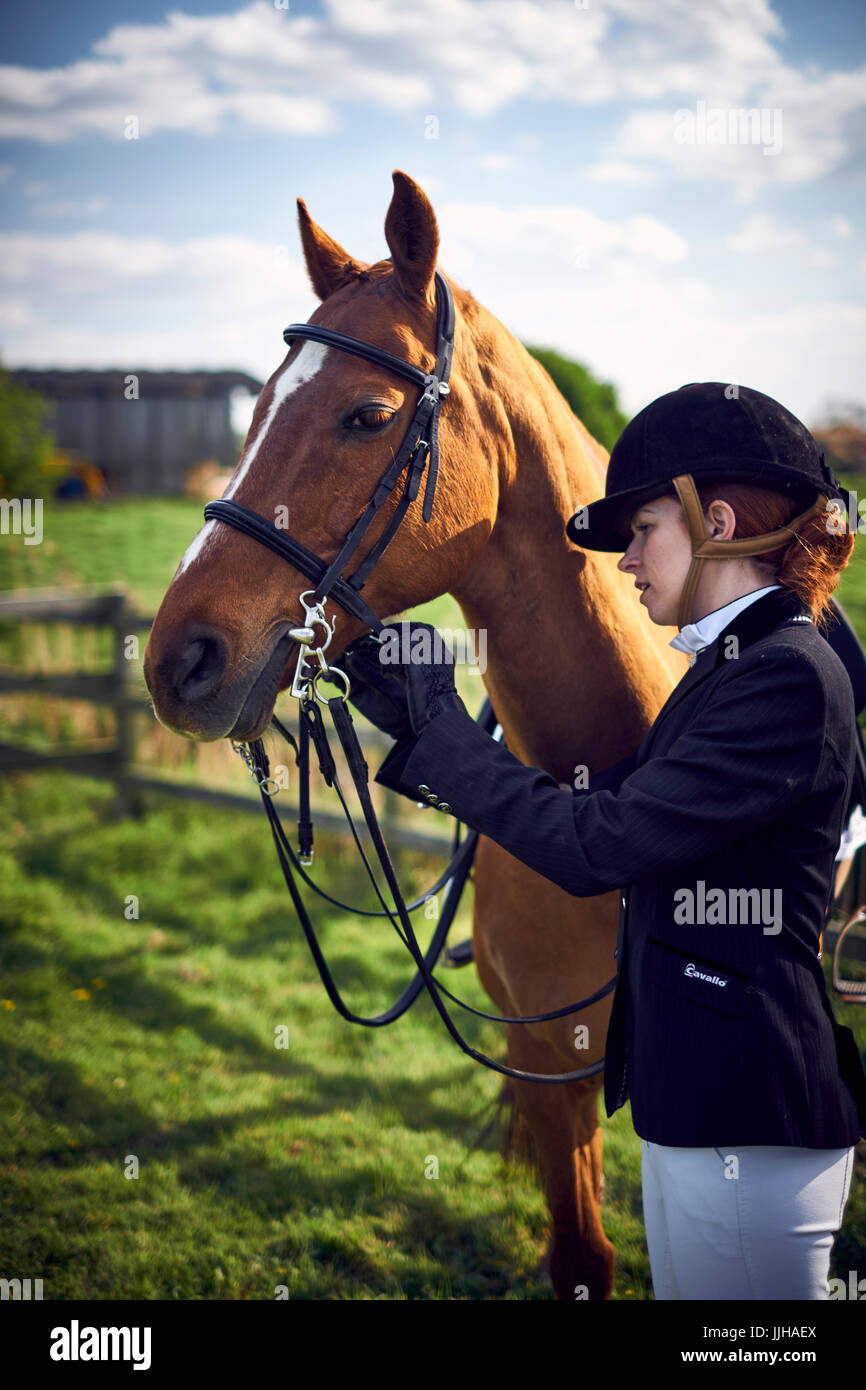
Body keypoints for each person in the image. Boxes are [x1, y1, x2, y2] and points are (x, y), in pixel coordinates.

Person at [341, 381, 866, 1301]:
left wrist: (441, 735)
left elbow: (599, 843)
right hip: (698, 1109)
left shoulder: (781, 678)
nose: (624, 562)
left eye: (642, 531)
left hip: (748, 1116)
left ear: (722, 521)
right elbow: (583, 803)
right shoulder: (722, 675)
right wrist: (423, 726)